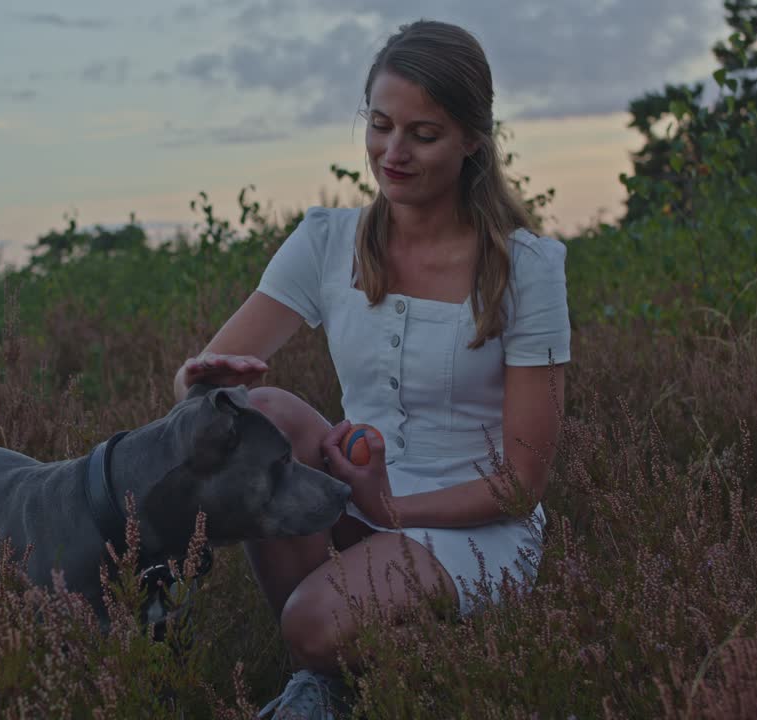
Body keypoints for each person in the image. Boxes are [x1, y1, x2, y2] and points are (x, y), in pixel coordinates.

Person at [171, 19, 570, 719]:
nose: (393, 152)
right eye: (381, 125)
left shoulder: (525, 268)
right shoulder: (325, 242)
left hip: (476, 526)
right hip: (358, 494)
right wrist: (199, 387)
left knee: (310, 623)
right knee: (261, 416)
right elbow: (202, 384)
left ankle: (339, 671)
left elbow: (521, 482)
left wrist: (393, 510)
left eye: (423, 133)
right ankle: (327, 681)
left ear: (473, 139)